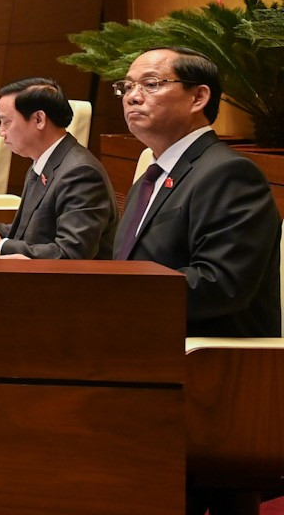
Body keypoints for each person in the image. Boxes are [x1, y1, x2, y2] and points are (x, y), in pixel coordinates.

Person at [113, 48, 282, 338]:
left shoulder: (229, 174)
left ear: (198, 97)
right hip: (140, 335)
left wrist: (115, 295)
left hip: (204, 353)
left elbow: (220, 283)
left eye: (151, 84)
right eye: (127, 87)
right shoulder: (149, 178)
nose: (132, 97)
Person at [0, 79, 116, 260]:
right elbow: (25, 233)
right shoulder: (44, 162)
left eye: (6, 122)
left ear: (39, 119)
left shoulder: (80, 172)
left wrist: (0, 246)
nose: (1, 131)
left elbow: (71, 253)